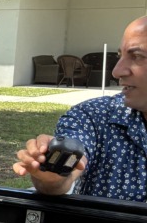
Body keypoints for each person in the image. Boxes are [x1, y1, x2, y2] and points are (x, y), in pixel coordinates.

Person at [14, 16, 147, 201]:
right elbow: (71, 163)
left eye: (137, 56)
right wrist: (52, 174)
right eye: (120, 56)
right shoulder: (92, 116)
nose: (117, 71)